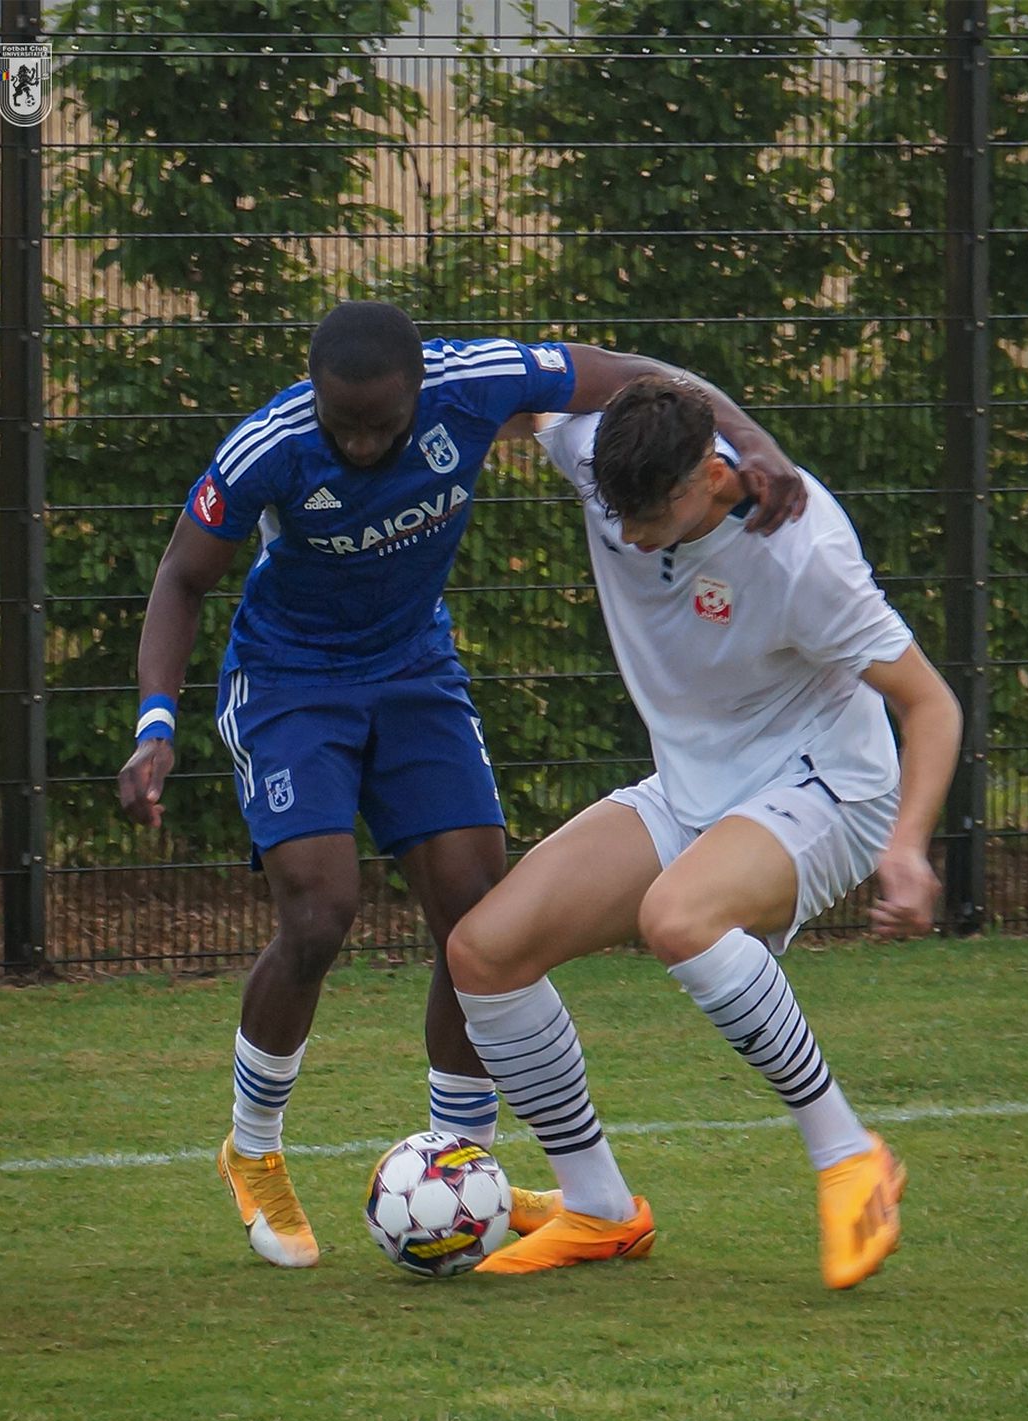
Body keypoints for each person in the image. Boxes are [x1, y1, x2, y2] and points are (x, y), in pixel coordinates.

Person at [117, 302, 807, 1270]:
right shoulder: (267, 447)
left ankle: (460, 1165)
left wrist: (758, 444)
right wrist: (156, 725)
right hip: (290, 685)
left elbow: (638, 376)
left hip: (413, 676)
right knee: (320, 913)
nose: (359, 443)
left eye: (381, 425)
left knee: (477, 921)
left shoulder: (478, 381)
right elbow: (182, 580)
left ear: (417, 394)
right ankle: (256, 1149)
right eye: (340, 423)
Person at [446, 375, 963, 1288]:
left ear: (710, 477)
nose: (629, 534)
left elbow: (931, 705)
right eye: (617, 511)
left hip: (830, 785)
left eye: (648, 514)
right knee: (485, 951)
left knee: (678, 918)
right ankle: (600, 1208)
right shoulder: (609, 459)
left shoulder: (806, 552)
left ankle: (849, 1155)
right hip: (692, 787)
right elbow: (533, 383)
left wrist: (909, 846)